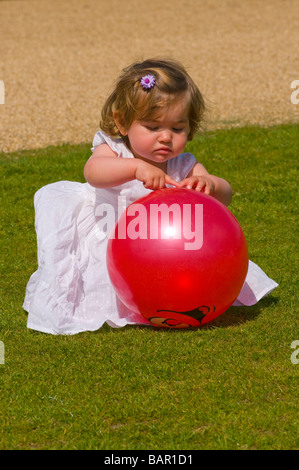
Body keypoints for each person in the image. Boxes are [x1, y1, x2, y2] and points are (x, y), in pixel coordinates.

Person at [23, 58, 277, 335]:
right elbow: (93, 172)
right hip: (113, 237)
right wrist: (134, 168)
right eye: (153, 128)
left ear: (189, 128)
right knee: (101, 284)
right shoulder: (115, 151)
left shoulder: (185, 165)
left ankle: (179, 298)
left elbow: (223, 199)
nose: (165, 137)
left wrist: (209, 183)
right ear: (122, 122)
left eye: (177, 129)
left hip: (172, 251)